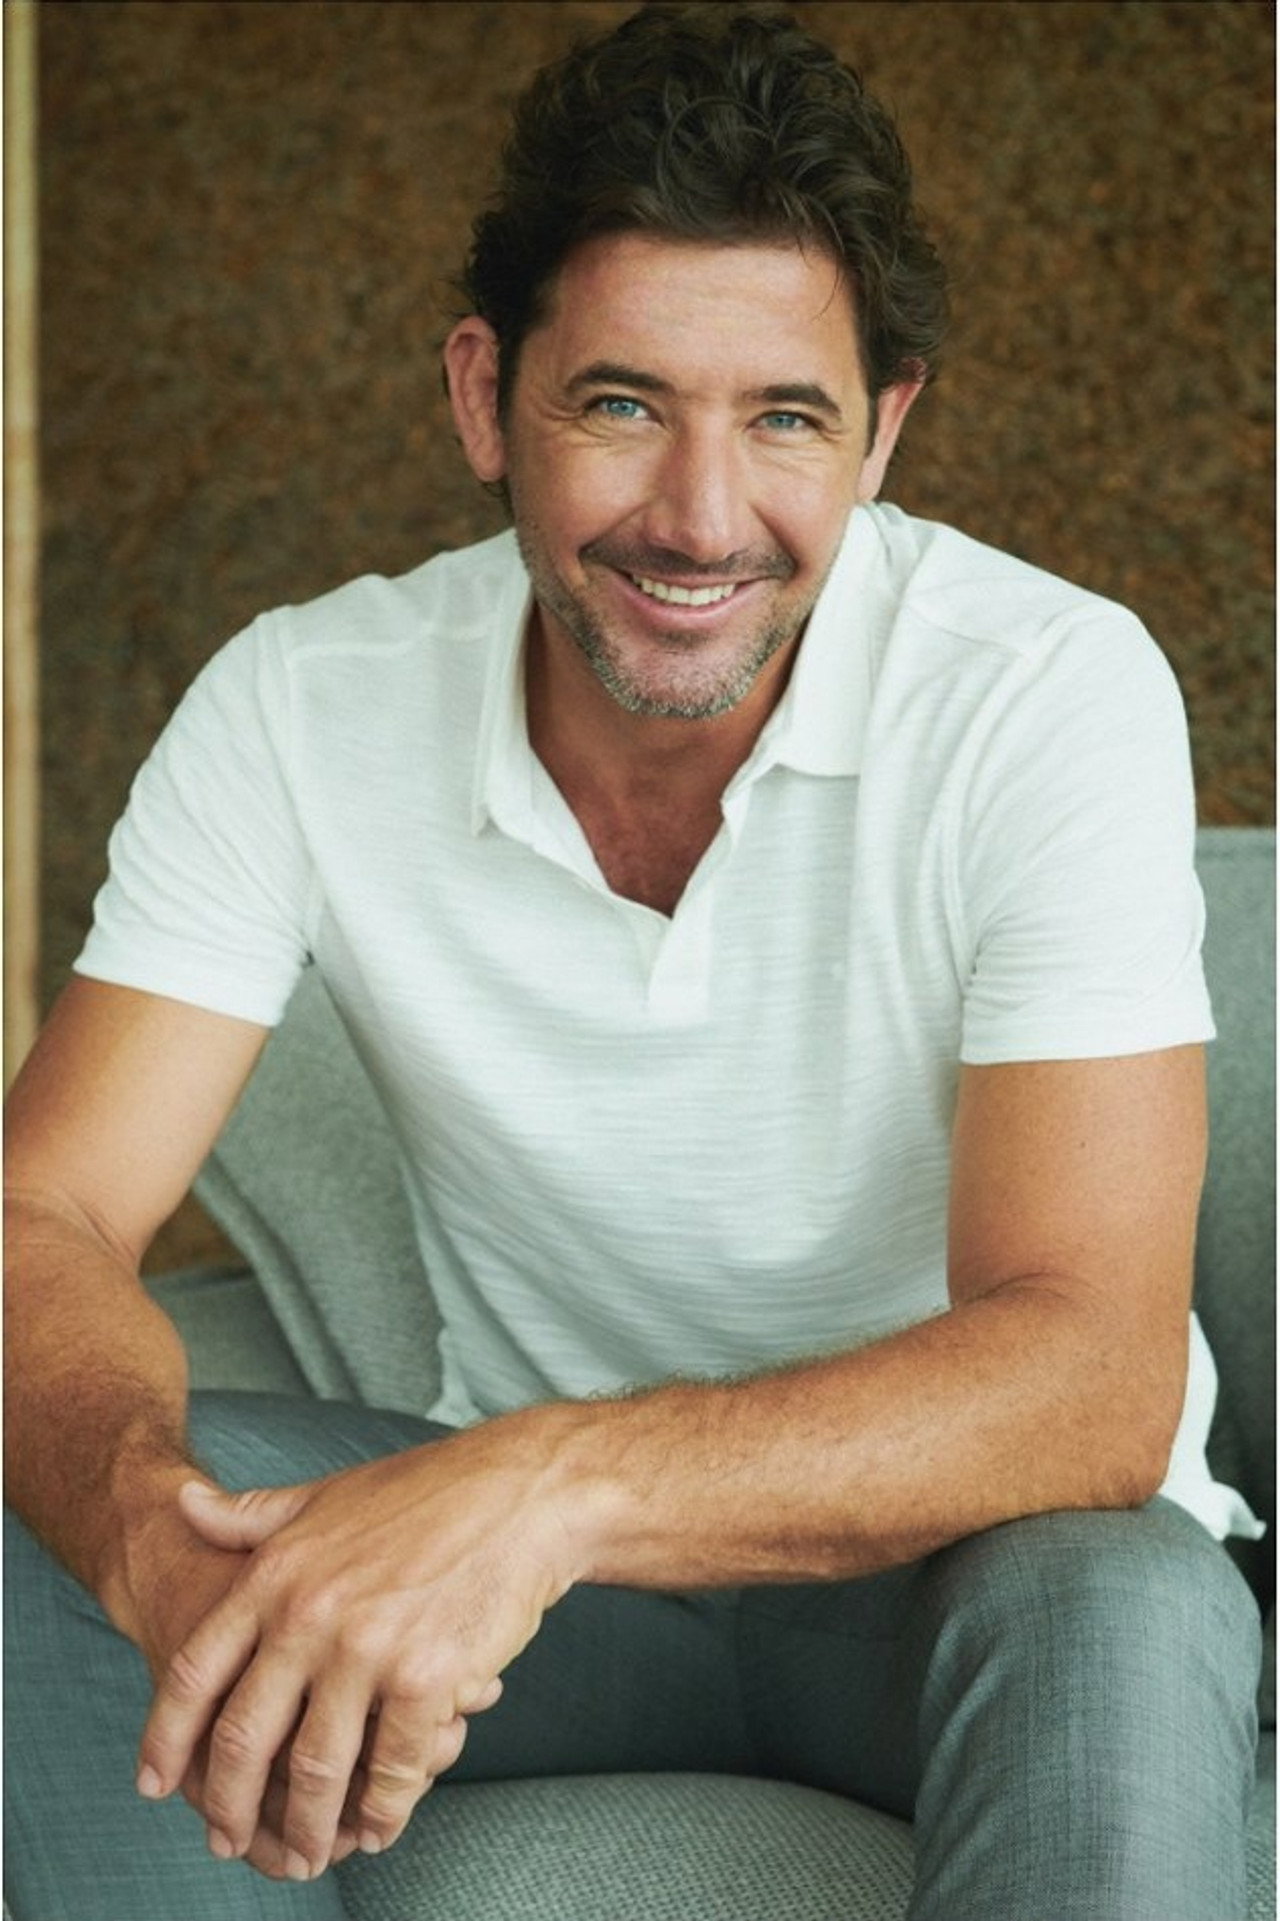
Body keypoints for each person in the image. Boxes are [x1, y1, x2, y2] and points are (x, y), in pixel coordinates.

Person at [4, 5, 1264, 1917]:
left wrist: (546, 1482)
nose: (700, 517)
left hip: (975, 1583)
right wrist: (148, 1544)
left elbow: (1087, 1374)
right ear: (481, 395)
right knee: (37, 1524)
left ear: (885, 430)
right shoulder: (299, 704)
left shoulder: (1043, 690)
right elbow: (43, 1211)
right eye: (620, 405)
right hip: (543, 1611)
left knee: (1126, 1593)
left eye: (786, 419)